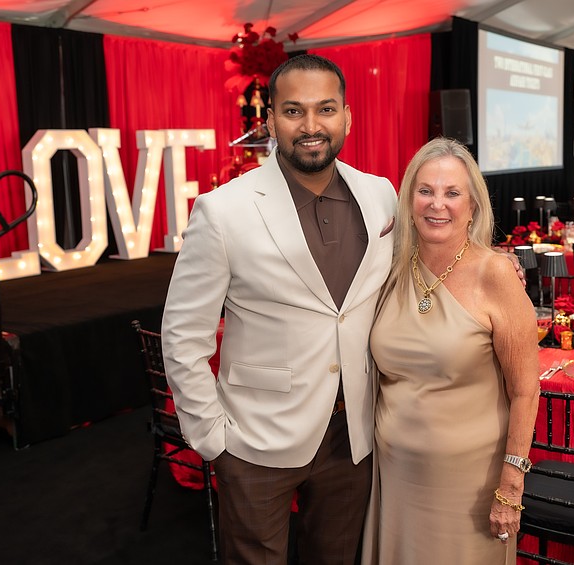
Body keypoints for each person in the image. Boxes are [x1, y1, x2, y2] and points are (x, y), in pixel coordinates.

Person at [161, 54, 397, 564]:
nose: (311, 126)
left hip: (352, 435)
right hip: (254, 440)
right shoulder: (223, 210)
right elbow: (183, 334)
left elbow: (412, 278)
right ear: (269, 120)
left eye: (326, 109)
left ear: (348, 116)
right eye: (293, 111)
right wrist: (212, 438)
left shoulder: (381, 197)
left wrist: (487, 269)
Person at [362, 137, 540, 564]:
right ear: (408, 200)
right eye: (425, 191)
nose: (436, 204)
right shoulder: (388, 268)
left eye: (451, 193)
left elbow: (526, 389)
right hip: (395, 478)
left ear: (473, 205)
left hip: (471, 490)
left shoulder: (495, 274)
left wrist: (511, 487)